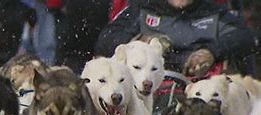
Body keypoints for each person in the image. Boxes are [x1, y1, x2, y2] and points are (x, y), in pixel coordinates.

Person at [95, 0, 258, 76]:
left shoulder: (214, 13)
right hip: (147, 90)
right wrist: (138, 44)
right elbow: (105, 40)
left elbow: (246, 37)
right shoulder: (143, 8)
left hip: (201, 93)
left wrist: (211, 52)